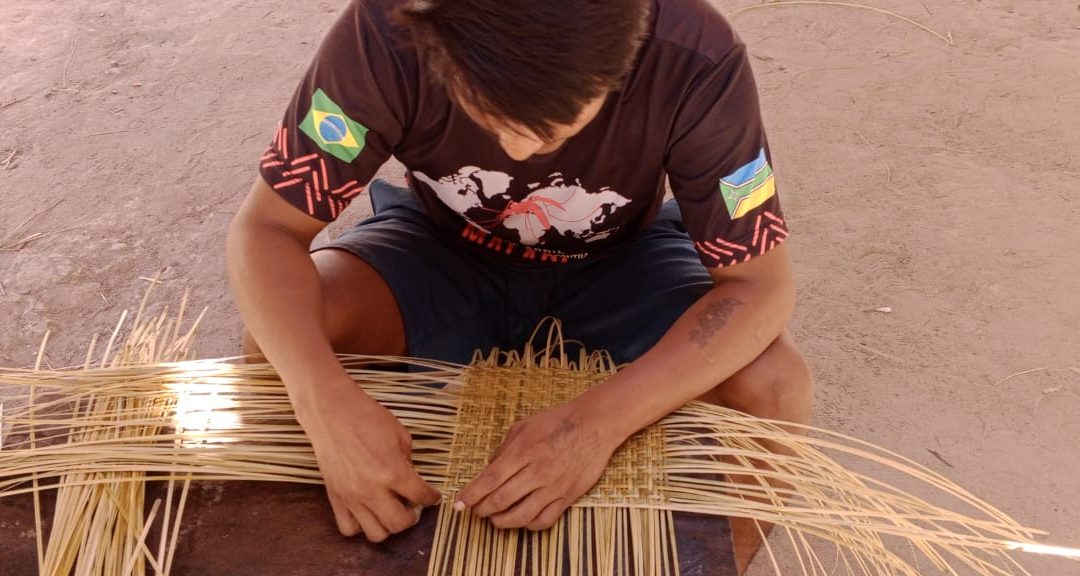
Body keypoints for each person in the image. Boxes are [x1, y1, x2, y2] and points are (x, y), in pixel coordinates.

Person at [226, 0, 813, 571]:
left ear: (628, 56)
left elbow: (759, 286)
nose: (521, 151)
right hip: (441, 252)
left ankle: (712, 567)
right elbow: (268, 228)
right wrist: (322, 403)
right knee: (284, 344)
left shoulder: (692, 57)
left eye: (558, 126)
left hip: (622, 263)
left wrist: (597, 423)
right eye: (492, 116)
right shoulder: (386, 32)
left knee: (773, 385)